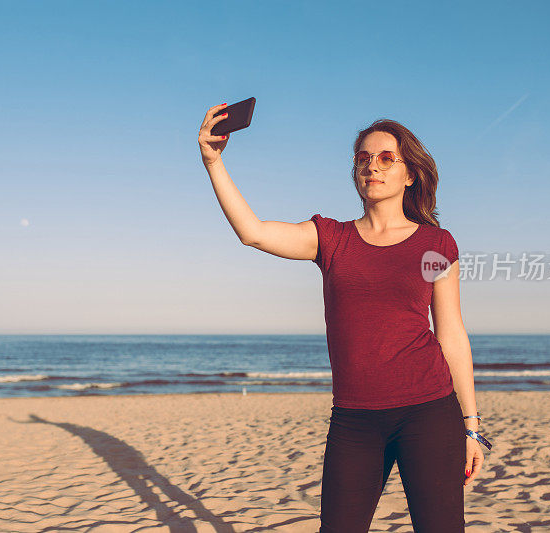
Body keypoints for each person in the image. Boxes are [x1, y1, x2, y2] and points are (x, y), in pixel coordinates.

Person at [198, 103, 491, 532]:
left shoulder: (436, 243)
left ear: (410, 174)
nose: (372, 166)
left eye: (387, 158)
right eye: (363, 158)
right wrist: (213, 160)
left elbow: (451, 333)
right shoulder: (331, 238)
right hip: (355, 419)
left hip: (429, 410)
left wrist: (471, 426)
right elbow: (253, 232)